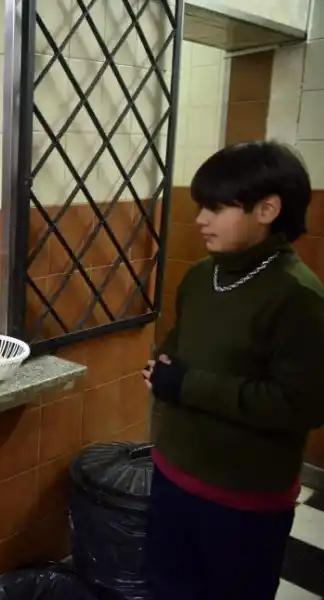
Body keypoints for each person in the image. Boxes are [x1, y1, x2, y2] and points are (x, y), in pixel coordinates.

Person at [143, 141, 324, 600]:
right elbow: (177, 346)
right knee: (166, 589)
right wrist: (163, 368)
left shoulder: (297, 296)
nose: (200, 218)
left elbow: (300, 405)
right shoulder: (202, 276)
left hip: (242, 497)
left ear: (267, 209)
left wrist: (186, 385)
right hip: (173, 474)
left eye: (215, 208)